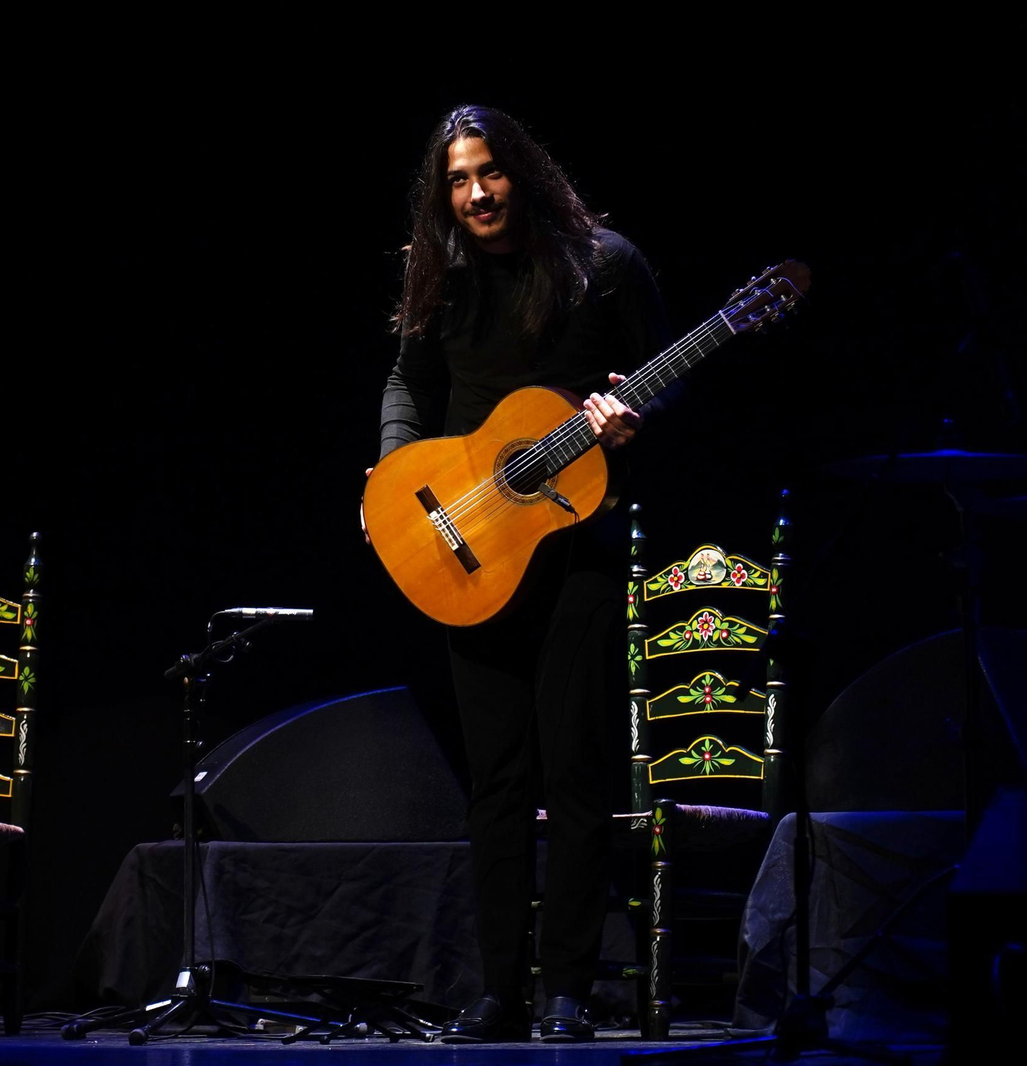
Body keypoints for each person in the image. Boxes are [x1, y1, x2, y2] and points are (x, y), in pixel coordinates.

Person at [364, 104, 675, 1043]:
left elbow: (671, 379)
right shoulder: (442, 274)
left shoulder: (604, 264)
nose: (475, 193)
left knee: (575, 772)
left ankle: (568, 988)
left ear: (523, 172)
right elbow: (405, 382)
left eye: (488, 172)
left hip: (574, 545)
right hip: (467, 547)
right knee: (496, 781)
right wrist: (393, 468)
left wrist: (631, 424)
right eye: (456, 180)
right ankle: (499, 987)